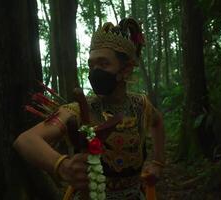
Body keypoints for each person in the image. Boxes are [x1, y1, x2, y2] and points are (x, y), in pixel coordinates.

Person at [13, 18, 165, 200]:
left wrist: (157, 162)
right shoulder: (77, 110)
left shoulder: (141, 105)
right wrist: (61, 165)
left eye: (103, 64)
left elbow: (157, 123)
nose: (95, 71)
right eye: (91, 65)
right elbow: (25, 140)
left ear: (126, 69)